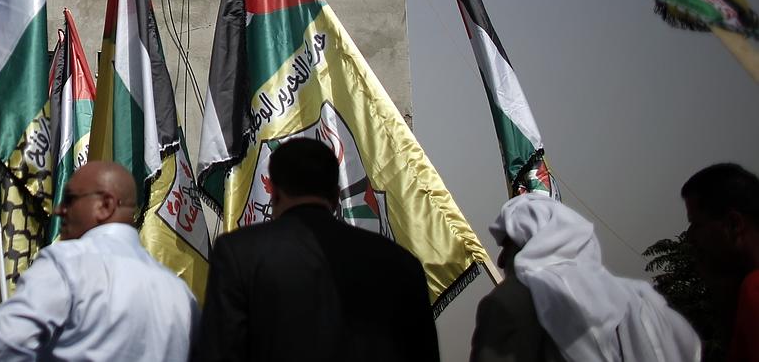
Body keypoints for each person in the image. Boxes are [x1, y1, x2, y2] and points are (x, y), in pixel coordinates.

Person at [195, 138, 438, 362]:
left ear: (275, 194)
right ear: (335, 196)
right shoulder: (400, 264)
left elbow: (220, 352)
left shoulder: (239, 254)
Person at [0, 161, 197, 361]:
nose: (59, 210)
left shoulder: (66, 263)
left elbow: (4, 339)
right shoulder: (180, 294)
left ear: (105, 205)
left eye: (70, 199)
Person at [472, 192, 699, 362]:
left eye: (507, 246)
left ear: (533, 245)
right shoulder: (642, 303)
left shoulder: (509, 302)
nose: (500, 260)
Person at [681, 163, 759, 361]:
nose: (690, 238)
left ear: (734, 225)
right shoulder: (743, 292)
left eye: (696, 224)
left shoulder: (755, 291)